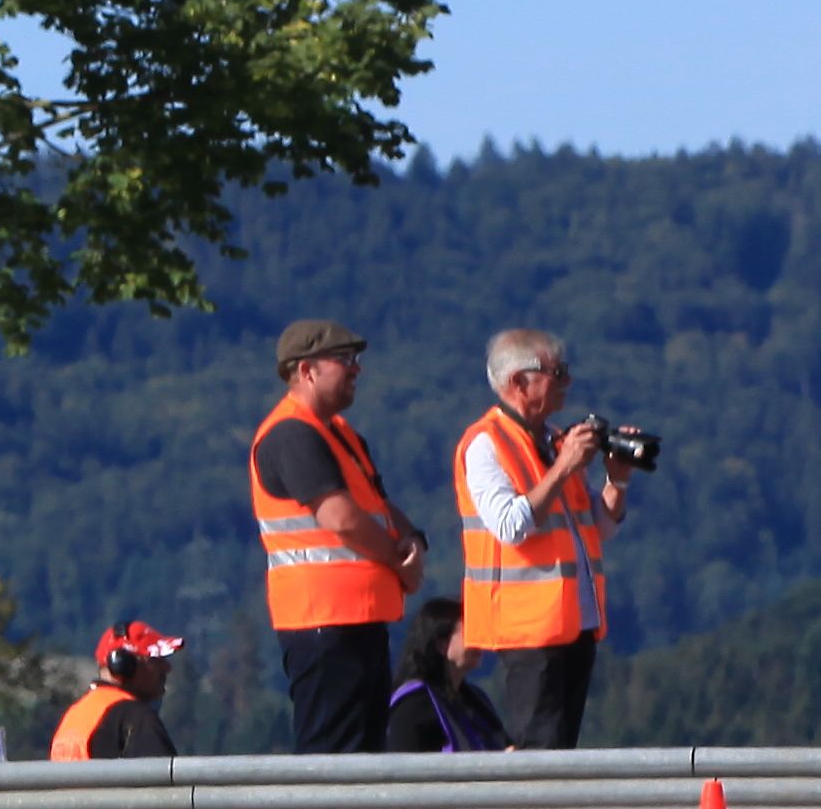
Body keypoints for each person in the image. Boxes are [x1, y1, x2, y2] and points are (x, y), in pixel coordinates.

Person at [455, 327, 636, 750]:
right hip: (529, 632)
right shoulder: (485, 444)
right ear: (519, 382)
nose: (567, 384)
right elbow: (509, 524)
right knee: (539, 752)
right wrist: (565, 467)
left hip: (575, 625)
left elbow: (598, 528)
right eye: (558, 372)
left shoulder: (552, 442)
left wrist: (617, 482)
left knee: (562, 751)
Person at [250, 319, 425, 753]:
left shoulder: (340, 434)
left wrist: (413, 541)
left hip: (354, 620)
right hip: (321, 622)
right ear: (306, 371)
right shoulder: (291, 434)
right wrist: (396, 560)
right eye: (344, 360)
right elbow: (341, 518)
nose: (356, 369)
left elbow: (377, 507)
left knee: (361, 755)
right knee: (331, 758)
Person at [385, 594, 509, 753]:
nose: (478, 640)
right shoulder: (413, 705)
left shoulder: (476, 700)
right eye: (470, 632)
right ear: (441, 645)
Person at [49, 623, 183, 760]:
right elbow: (164, 778)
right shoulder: (136, 716)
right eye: (156, 659)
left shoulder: (74, 714)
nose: (167, 667)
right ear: (125, 665)